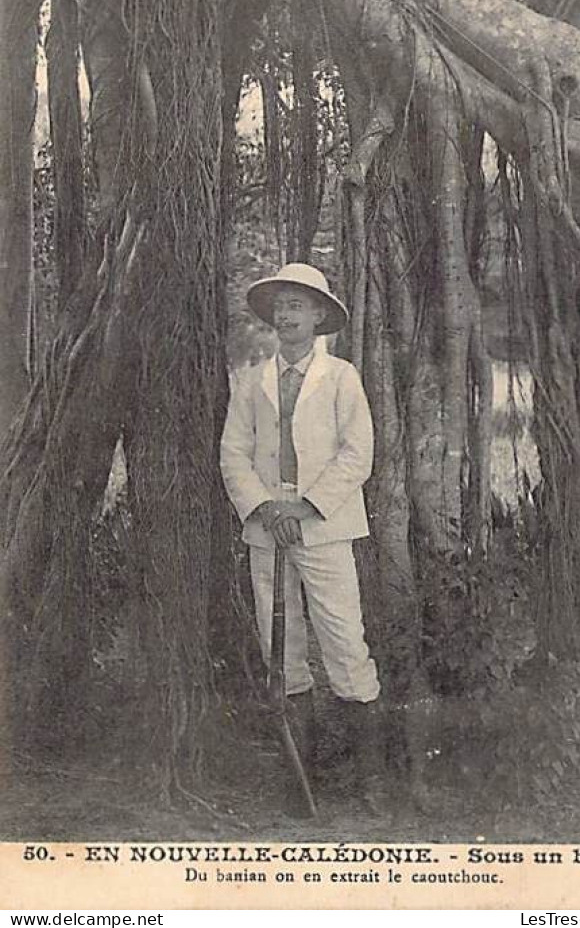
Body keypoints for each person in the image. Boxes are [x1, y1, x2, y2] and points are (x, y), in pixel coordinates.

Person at [219, 262, 384, 814]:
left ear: (319, 316)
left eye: (299, 306)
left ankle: (368, 780)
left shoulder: (341, 378)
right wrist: (265, 506)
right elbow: (234, 454)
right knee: (279, 644)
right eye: (280, 307)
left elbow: (357, 453)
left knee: (343, 637)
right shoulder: (251, 381)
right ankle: (302, 777)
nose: (287, 316)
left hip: (325, 526)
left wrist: (306, 506)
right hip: (267, 528)